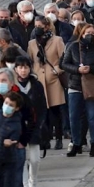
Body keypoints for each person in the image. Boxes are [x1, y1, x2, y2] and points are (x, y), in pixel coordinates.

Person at [62, 23, 94, 157]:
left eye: (92, 33)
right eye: (87, 33)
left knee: (92, 116)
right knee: (74, 116)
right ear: (81, 34)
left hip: (92, 86)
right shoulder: (73, 47)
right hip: (75, 85)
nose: (90, 35)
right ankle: (76, 143)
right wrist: (77, 69)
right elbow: (64, 64)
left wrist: (91, 69)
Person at [27, 16, 67, 149]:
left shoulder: (57, 40)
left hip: (54, 80)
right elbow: (30, 61)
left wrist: (57, 69)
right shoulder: (32, 43)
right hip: (39, 81)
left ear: (47, 27)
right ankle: (46, 139)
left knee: (56, 111)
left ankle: (59, 138)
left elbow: (64, 59)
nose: (37, 28)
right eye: (36, 26)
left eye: (40, 26)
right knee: (42, 112)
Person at [11, 57, 46, 187]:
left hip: (34, 126)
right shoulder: (13, 86)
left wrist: (41, 123)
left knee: (35, 159)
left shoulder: (36, 85)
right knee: (21, 160)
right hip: (18, 128)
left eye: (26, 67)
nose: (23, 70)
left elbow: (43, 106)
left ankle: (33, 182)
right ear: (16, 69)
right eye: (20, 67)